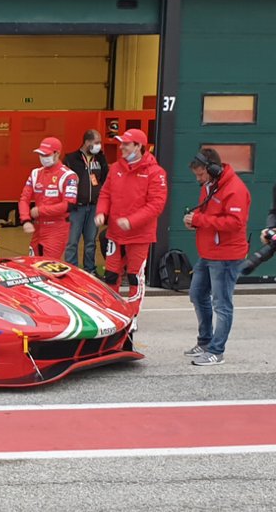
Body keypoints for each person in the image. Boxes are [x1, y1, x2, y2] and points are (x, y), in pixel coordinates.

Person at [181, 148, 251, 366]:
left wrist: (200, 221)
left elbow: (235, 223)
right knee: (197, 295)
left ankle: (216, 351)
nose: (199, 179)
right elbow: (210, 215)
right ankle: (205, 341)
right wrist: (195, 220)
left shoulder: (235, 189)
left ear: (212, 169)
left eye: (201, 174)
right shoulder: (210, 186)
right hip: (209, 252)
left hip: (227, 255)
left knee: (222, 304)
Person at [94, 129, 169, 314]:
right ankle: (113, 311)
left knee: (135, 276)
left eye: (126, 144)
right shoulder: (116, 168)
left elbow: (156, 205)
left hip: (139, 235)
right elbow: (105, 193)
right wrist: (102, 212)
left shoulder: (155, 172)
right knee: (111, 275)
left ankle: (133, 314)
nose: (121, 147)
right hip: (115, 233)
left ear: (138, 146)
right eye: (121, 143)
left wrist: (131, 221)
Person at [18, 136, 77, 259]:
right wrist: (25, 219)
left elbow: (68, 205)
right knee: (33, 264)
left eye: (46, 155)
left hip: (56, 229)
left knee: (49, 267)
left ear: (57, 154)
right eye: (41, 154)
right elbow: (24, 198)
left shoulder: (68, 176)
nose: (43, 158)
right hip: (38, 227)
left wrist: (40, 210)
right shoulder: (35, 173)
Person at [63, 129, 108, 273]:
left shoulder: (100, 159)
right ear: (87, 142)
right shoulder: (71, 159)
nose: (98, 145)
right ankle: (72, 271)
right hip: (76, 207)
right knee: (72, 242)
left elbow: (106, 180)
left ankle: (90, 270)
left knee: (90, 242)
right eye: (96, 142)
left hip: (94, 207)